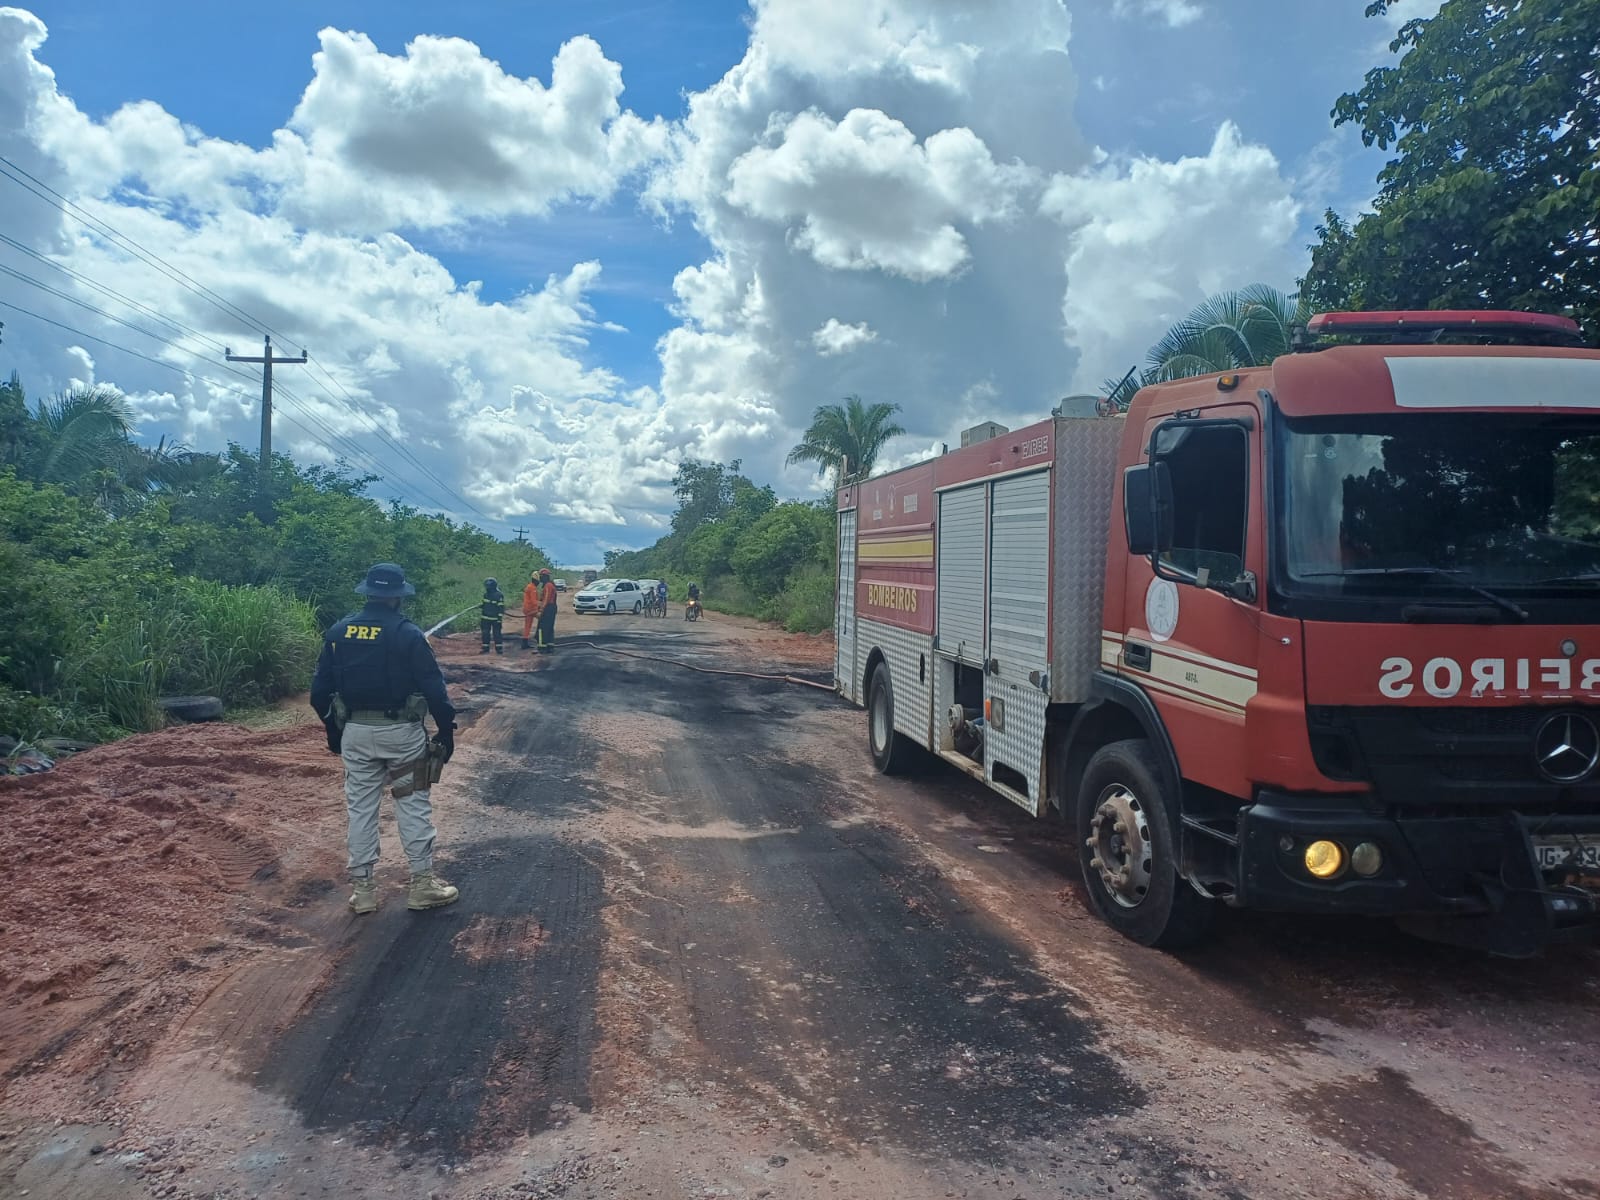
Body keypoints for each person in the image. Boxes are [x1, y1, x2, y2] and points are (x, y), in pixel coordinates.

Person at [310, 562, 459, 915]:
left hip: (356, 735)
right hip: (402, 734)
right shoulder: (408, 635)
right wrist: (446, 731)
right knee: (412, 802)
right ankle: (422, 885)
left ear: (369, 594)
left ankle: (363, 892)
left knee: (360, 808)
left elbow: (319, 693)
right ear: (397, 598)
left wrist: (335, 733)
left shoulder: (338, 632)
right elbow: (434, 690)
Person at [479, 577, 505, 655]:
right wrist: (482, 605)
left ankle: (499, 649)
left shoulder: (499, 595)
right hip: (485, 618)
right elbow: (485, 604)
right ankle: (485, 648)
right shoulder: (486, 595)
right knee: (485, 634)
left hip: (495, 619)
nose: (487, 588)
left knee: (497, 634)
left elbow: (501, 608)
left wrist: (499, 619)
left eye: (488, 586)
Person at [536, 567, 559, 653]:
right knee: (549, 628)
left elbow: (546, 599)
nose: (540, 578)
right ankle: (550, 646)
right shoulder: (550, 585)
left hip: (548, 608)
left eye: (541, 576)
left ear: (545, 576)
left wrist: (541, 610)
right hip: (551, 608)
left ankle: (542, 648)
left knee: (542, 628)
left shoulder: (548, 586)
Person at [521, 571, 540, 650]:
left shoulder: (529, 586)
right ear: (536, 580)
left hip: (528, 609)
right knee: (542, 619)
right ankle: (539, 637)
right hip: (530, 610)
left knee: (527, 626)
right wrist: (541, 605)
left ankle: (524, 643)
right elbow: (533, 601)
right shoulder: (532, 588)